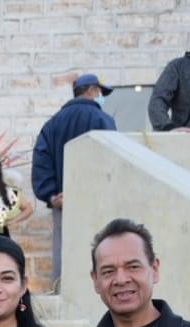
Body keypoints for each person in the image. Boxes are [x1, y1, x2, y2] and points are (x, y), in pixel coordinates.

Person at [32, 74, 115, 284]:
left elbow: (41, 162)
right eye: (100, 92)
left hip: (64, 204)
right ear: (91, 90)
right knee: (102, 254)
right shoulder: (103, 120)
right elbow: (112, 162)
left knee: (64, 258)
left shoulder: (52, 124)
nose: (101, 97)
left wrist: (52, 196)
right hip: (98, 204)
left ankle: (62, 294)